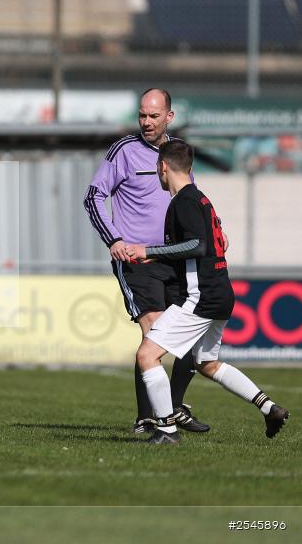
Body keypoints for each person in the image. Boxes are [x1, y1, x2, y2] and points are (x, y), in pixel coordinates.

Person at [125, 139, 289, 444]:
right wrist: (158, 256)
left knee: (147, 355)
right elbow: (207, 243)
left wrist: (150, 251)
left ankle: (166, 430)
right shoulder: (200, 199)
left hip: (200, 296)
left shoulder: (183, 202)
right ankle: (269, 408)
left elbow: (196, 245)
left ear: (163, 167)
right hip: (221, 292)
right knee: (207, 364)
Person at [84, 88, 210, 435]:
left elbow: (192, 200)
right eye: (142, 115)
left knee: (190, 335)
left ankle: (174, 407)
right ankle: (147, 418)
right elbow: (93, 197)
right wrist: (114, 239)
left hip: (173, 257)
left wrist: (216, 228)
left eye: (154, 116)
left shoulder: (178, 152)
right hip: (137, 262)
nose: (147, 122)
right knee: (155, 334)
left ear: (169, 117)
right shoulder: (123, 151)